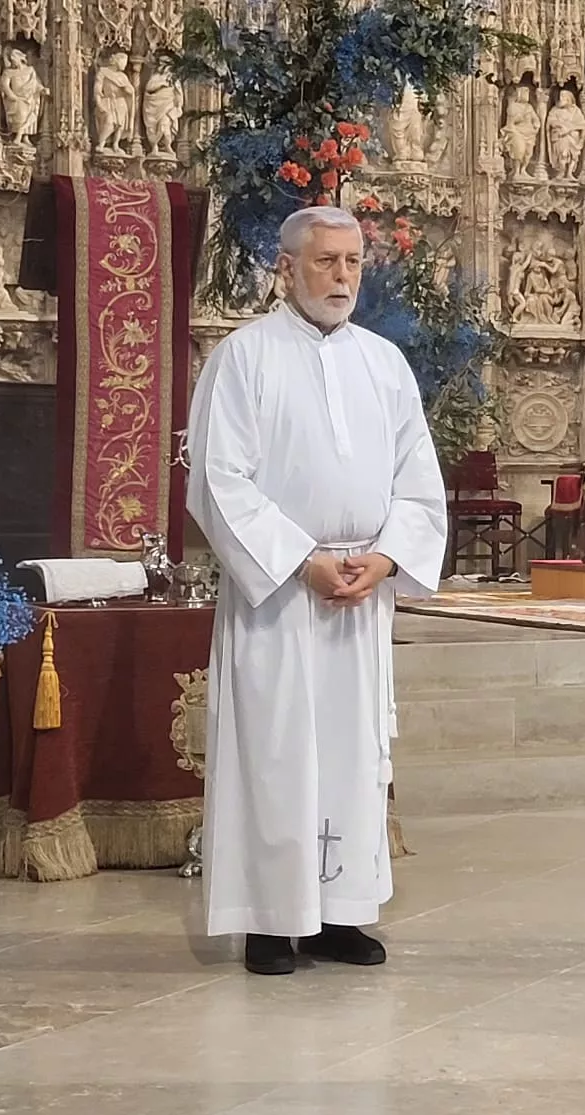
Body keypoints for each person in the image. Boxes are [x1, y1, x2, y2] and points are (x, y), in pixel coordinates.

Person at [187, 206, 449, 976]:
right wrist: (300, 559)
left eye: (353, 262)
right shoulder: (244, 358)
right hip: (279, 597)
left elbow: (417, 481)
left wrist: (388, 558)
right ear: (287, 266)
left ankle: (340, 912)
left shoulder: (384, 364)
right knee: (276, 754)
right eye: (326, 261)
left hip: (359, 595)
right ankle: (272, 921)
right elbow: (218, 479)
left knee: (349, 756)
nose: (342, 276)